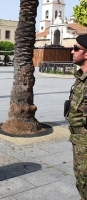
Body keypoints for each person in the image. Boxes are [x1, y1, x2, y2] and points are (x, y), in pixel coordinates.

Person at [67, 34, 87, 200]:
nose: (72, 52)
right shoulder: (81, 78)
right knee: (81, 183)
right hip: (79, 143)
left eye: (75, 49)